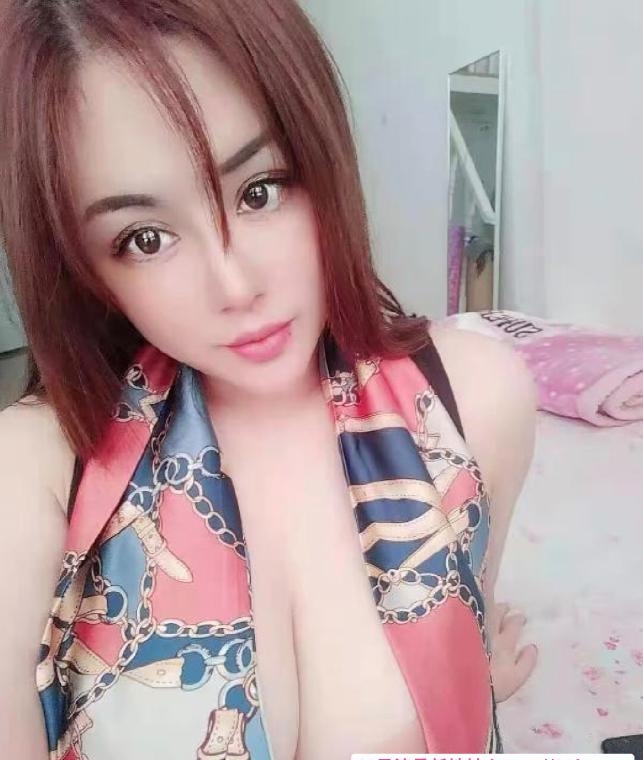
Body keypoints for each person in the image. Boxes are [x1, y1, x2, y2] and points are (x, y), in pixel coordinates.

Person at [0, 1, 538, 758]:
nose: (235, 284)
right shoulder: (37, 470)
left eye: (260, 190)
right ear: (85, 272)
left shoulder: (474, 401)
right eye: (145, 238)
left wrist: (474, 685)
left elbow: (460, 640)